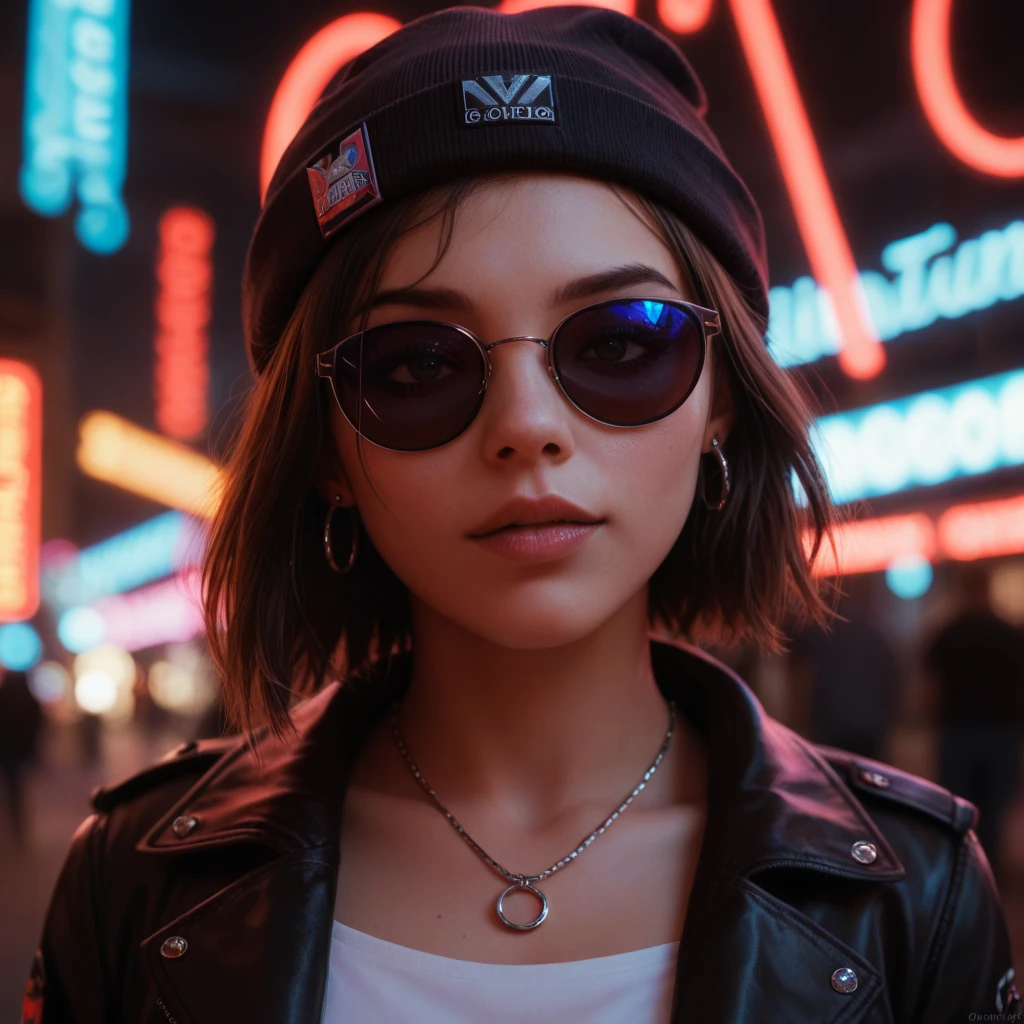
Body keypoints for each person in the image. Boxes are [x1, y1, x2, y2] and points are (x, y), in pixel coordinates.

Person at [25, 8, 1018, 1023]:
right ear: (324, 448)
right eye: (415, 364)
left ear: (720, 398)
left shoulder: (915, 895)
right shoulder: (131, 884)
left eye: (622, 344)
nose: (526, 428)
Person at [925, 566, 1024, 886]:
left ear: (964, 591)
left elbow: (930, 683)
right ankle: (992, 872)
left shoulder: (950, 631)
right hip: (1002, 731)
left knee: (958, 809)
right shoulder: (1009, 632)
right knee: (994, 807)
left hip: (959, 729)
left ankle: (961, 873)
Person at [0, 668, 44, 849]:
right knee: (16, 788)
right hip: (21, 751)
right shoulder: (29, 699)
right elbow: (39, 723)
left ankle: (11, 822)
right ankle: (18, 825)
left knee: (10, 786)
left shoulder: (3, 698)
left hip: (5, 751)